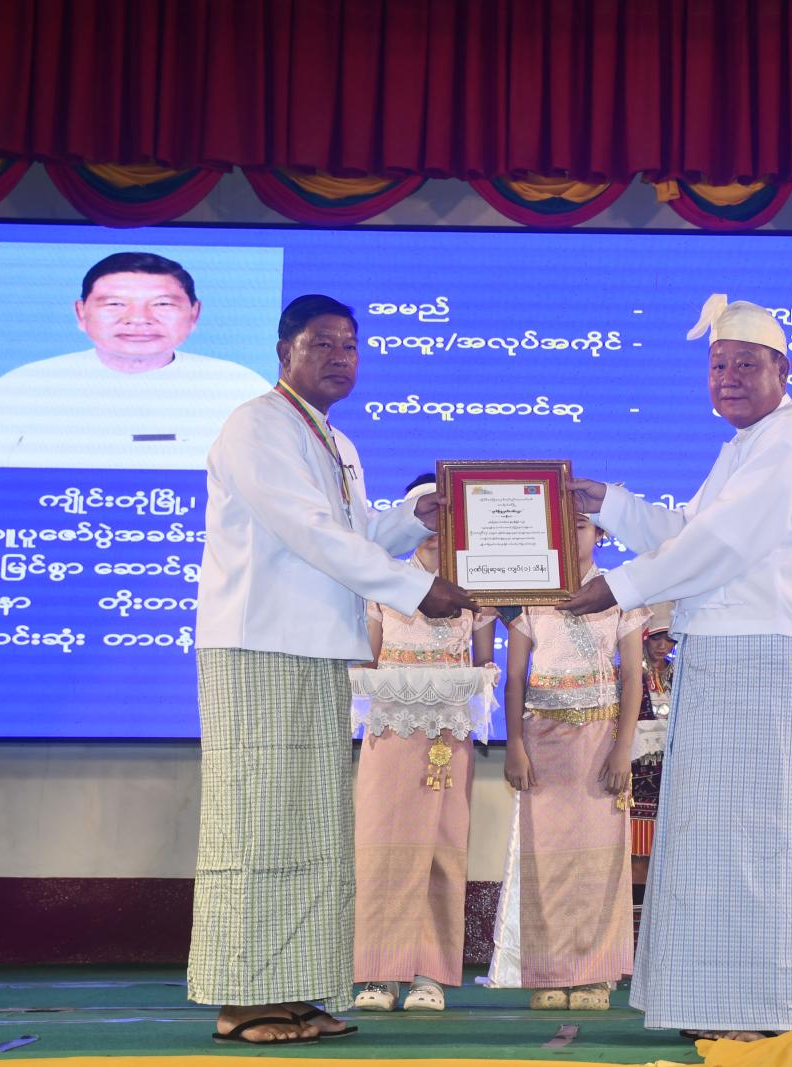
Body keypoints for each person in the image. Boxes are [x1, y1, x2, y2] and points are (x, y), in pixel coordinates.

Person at [189, 294, 477, 1046]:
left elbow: (355, 533)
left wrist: (417, 516)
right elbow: (310, 533)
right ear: (284, 349)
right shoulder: (257, 425)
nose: (340, 358)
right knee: (256, 824)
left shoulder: (334, 440)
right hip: (257, 645)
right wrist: (418, 587)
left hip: (316, 649)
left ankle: (294, 990)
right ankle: (240, 999)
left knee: (311, 830)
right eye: (322, 344)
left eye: (350, 345)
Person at [560, 293, 792, 1042]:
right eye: (717, 365)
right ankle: (717, 1003)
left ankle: (759, 1011)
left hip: (766, 655)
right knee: (713, 837)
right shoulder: (744, 448)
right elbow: (691, 530)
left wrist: (615, 588)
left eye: (745, 364)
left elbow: (720, 546)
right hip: (728, 655)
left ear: (782, 371)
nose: (728, 378)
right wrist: (609, 504)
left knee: (755, 839)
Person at [351, 474, 500, 1014]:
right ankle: (378, 975)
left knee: (442, 846)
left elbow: (486, 664)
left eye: (444, 516)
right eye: (426, 516)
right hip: (390, 731)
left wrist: (476, 681)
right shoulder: (381, 581)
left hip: (447, 734)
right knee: (381, 847)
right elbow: (368, 661)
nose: (436, 528)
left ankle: (429, 975)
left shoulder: (474, 588)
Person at [486, 514, 648, 1011]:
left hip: (600, 741)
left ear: (601, 534)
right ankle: (548, 971)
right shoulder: (532, 592)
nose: (573, 534)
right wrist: (515, 744)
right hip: (542, 740)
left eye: (583, 526)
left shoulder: (621, 592)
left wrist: (622, 748)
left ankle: (596, 976)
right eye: (566, 525)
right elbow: (516, 677)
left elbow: (632, 677)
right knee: (546, 858)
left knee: (600, 859)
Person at [0, 251, 271, 469]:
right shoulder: (22, 387)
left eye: (162, 304)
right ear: (81, 313)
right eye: (115, 304)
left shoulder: (238, 387)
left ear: (194, 313)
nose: (138, 319)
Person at [630, 603, 676, 891]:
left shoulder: (681, 673)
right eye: (656, 638)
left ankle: (658, 911)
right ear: (644, 637)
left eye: (669, 639)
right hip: (636, 771)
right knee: (636, 850)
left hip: (672, 772)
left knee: (667, 853)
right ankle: (634, 912)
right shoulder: (629, 673)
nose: (662, 646)